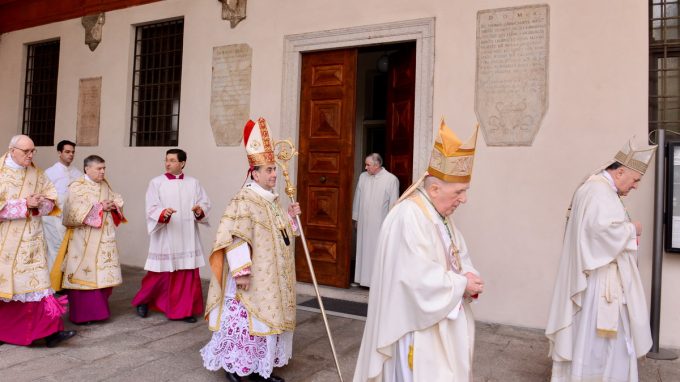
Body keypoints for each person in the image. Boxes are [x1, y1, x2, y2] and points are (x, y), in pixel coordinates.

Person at [353, 120, 485, 382]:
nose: (464, 199)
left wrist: (469, 275)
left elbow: (458, 255)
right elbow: (414, 279)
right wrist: (461, 284)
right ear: (434, 189)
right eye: (459, 191)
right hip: (418, 329)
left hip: (440, 322)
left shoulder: (439, 214)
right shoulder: (409, 216)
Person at [545, 139, 656, 381]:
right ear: (620, 171)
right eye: (636, 180)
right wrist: (632, 229)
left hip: (599, 277)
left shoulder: (599, 190)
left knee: (596, 341)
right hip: (600, 282)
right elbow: (598, 232)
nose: (636, 186)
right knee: (600, 344)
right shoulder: (598, 191)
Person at [200, 117, 301, 382]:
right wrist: (241, 271)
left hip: (270, 277)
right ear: (254, 173)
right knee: (244, 322)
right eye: (268, 170)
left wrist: (290, 218)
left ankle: (259, 369)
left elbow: (283, 236)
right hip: (250, 276)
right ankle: (232, 367)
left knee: (265, 322)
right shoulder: (244, 200)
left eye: (274, 170)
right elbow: (236, 238)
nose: (274, 174)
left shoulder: (271, 201)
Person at [0, 135, 75, 347]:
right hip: (6, 241)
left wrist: (42, 203)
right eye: (26, 151)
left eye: (33, 151)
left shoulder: (36, 173)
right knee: (8, 289)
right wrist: (24, 204)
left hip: (32, 240)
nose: (31, 155)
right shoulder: (1, 173)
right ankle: (4, 331)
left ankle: (51, 332)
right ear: (12, 149)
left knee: (37, 287)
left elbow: (52, 201)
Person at [132, 148, 211, 323]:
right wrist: (163, 213)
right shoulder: (156, 183)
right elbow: (151, 206)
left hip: (187, 236)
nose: (168, 163)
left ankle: (185, 310)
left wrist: (200, 210)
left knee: (187, 273)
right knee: (159, 274)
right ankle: (143, 301)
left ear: (182, 163)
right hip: (166, 235)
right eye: (166, 160)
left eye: (172, 160)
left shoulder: (194, 183)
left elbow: (204, 203)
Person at [51, 155, 126, 325]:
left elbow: (116, 198)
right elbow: (71, 213)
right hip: (83, 241)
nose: (103, 172)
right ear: (87, 169)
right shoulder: (77, 187)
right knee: (83, 278)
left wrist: (115, 204)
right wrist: (100, 207)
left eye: (104, 168)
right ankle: (83, 315)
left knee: (102, 276)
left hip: (104, 239)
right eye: (99, 169)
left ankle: (99, 313)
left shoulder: (105, 184)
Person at [352, 153, 399, 287]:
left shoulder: (391, 179)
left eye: (368, 165)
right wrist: (356, 218)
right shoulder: (363, 177)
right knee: (363, 250)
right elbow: (358, 198)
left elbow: (393, 203)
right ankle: (362, 280)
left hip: (380, 223)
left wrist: (391, 225)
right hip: (364, 221)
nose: (365, 167)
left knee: (376, 251)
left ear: (377, 165)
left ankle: (376, 283)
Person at [43, 140, 83, 269]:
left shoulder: (78, 174)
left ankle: (65, 282)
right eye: (67, 152)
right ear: (59, 153)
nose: (70, 154)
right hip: (53, 217)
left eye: (72, 152)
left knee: (70, 249)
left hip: (71, 218)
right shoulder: (49, 172)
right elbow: (44, 195)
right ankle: (54, 283)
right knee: (56, 248)